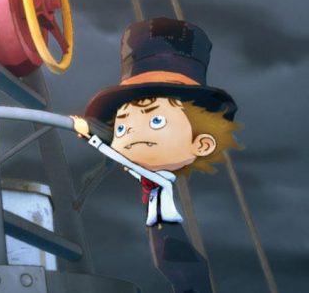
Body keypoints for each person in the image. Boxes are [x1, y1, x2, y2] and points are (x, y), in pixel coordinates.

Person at [71, 18, 241, 293]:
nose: (131, 134)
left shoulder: (156, 177)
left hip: (164, 227)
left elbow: (117, 154)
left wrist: (91, 136)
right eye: (123, 127)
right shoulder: (141, 175)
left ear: (202, 144)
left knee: (178, 263)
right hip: (156, 227)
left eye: (156, 121)